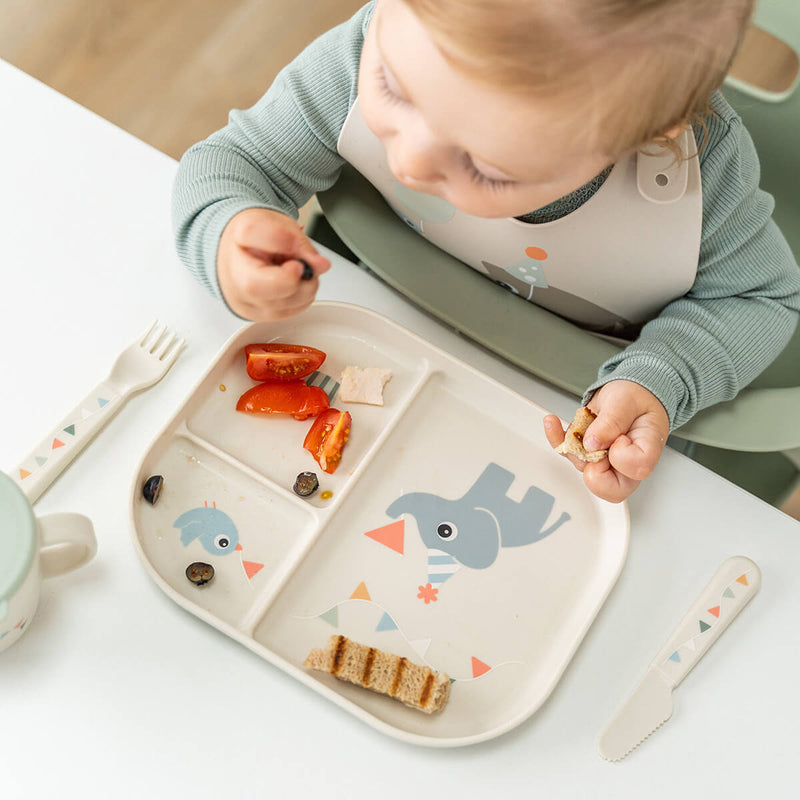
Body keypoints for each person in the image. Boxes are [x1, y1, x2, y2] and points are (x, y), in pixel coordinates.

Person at [172, 0, 800, 503]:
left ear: (639, 138)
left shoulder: (699, 183)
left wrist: (662, 380)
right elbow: (236, 163)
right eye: (393, 87)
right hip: (389, 324)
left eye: (487, 165)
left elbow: (760, 299)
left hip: (574, 392)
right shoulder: (379, 45)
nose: (408, 160)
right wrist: (228, 233)